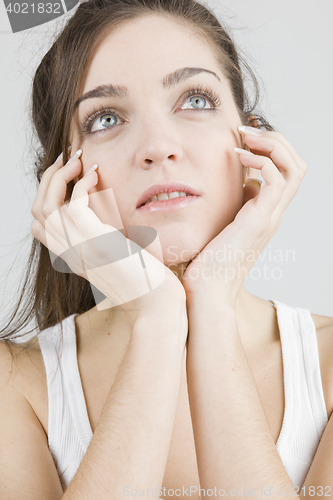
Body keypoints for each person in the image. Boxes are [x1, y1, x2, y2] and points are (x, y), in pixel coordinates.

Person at [0, 0, 332, 498]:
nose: (158, 145)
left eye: (195, 100)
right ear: (64, 181)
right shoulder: (14, 386)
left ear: (253, 144)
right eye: (106, 118)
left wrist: (212, 304)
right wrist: (155, 319)